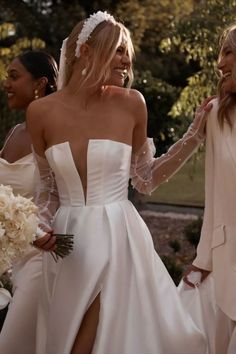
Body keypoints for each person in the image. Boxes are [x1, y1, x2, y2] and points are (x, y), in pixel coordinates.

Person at [27, 11, 212, 354]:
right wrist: (38, 227)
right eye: (117, 49)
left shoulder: (131, 104)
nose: (126, 58)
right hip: (67, 242)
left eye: (126, 50)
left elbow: (144, 179)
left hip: (118, 235)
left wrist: (193, 135)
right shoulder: (40, 112)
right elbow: (48, 190)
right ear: (84, 52)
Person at [183, 24, 236, 354]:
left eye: (229, 52)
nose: (220, 62)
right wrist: (203, 258)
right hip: (228, 258)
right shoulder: (217, 113)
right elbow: (214, 193)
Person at [0, 50, 58, 354]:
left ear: (40, 84)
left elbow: (64, 193)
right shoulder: (13, 133)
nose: (5, 83)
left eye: (13, 76)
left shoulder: (57, 134)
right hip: (11, 260)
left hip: (41, 259)